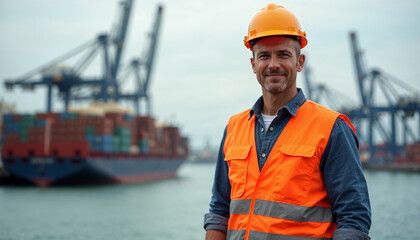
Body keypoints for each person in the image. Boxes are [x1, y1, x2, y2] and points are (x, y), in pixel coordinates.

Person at [204, 3, 371, 240]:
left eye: (283, 54)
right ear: (253, 64)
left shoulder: (331, 128)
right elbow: (219, 210)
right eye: (264, 56)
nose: (273, 64)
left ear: (299, 62)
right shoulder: (234, 127)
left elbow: (353, 218)